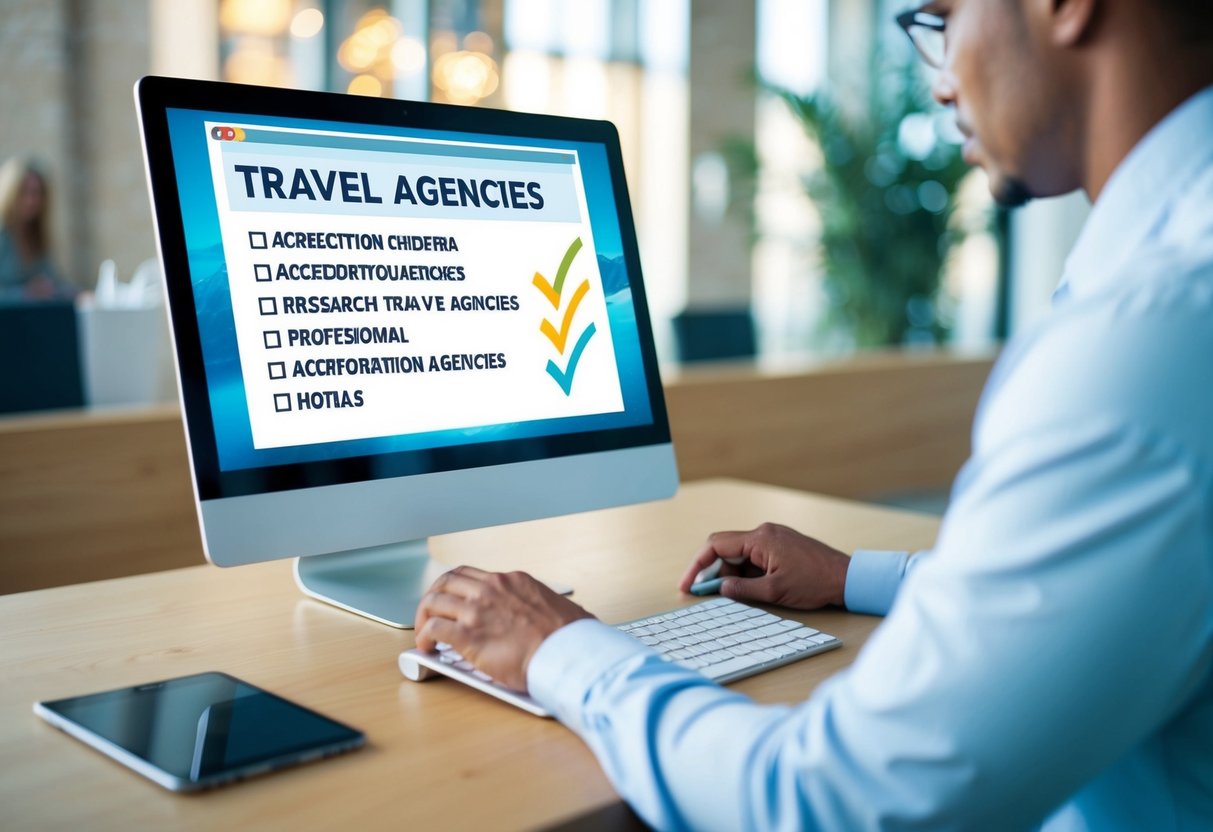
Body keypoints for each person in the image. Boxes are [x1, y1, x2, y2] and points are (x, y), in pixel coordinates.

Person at [414, 1, 1213, 828]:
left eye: (942, 18)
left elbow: (833, 801)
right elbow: (1086, 590)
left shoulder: (1147, 339)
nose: (939, 86)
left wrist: (556, 649)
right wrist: (848, 577)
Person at [0, 157, 75, 302]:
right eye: (24, 192)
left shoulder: (37, 237)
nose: (31, 200)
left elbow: (54, 282)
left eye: (37, 193)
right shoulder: (3, 237)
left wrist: (76, 293)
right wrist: (25, 293)